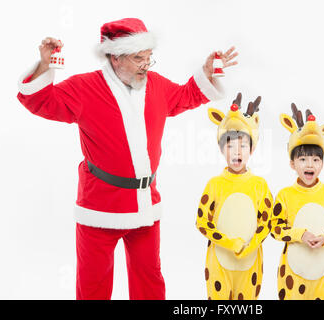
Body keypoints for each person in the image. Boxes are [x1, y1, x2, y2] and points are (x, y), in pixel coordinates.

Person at [16, 17, 238, 300]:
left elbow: (185, 96)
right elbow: (38, 101)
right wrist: (44, 65)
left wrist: (206, 73)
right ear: (115, 57)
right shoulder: (85, 88)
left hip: (145, 205)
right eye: (138, 59)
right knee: (93, 285)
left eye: (149, 58)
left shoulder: (155, 85)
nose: (146, 66)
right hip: (99, 205)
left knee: (150, 281)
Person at [270, 103, 324, 300]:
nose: (310, 164)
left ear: (322, 163)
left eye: (316, 160)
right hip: (293, 274)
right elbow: (275, 228)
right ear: (292, 163)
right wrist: (301, 235)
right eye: (303, 159)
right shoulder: (285, 195)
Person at [196, 93, 273, 300]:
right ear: (222, 150)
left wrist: (251, 245)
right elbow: (202, 222)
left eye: (242, 146)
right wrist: (232, 243)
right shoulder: (214, 184)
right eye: (230, 146)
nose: (236, 152)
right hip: (218, 264)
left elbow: (267, 222)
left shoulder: (260, 185)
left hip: (251, 264)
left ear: (252, 148)